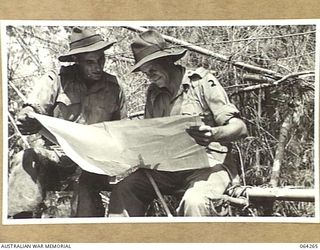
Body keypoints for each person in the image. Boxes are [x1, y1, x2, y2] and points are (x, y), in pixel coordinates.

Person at [108, 29, 247, 217]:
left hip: (209, 167)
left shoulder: (202, 83)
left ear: (167, 61)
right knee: (124, 189)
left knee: (196, 201)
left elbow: (240, 128)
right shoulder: (153, 94)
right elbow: (151, 135)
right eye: (145, 73)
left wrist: (213, 134)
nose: (150, 77)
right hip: (169, 169)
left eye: (153, 70)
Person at [9, 27, 127, 218]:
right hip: (55, 156)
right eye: (90, 62)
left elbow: (122, 131)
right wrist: (27, 116)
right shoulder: (56, 80)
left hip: (92, 161)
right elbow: (32, 107)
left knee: (86, 187)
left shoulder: (114, 88)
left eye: (101, 59)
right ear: (77, 61)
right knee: (26, 157)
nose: (98, 66)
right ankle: (19, 223)